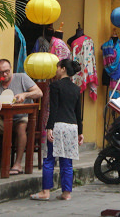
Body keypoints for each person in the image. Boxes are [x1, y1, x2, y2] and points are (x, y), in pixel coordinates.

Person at [31, 59, 83, 202]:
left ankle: (45, 191)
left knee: (49, 159)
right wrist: (80, 132)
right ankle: (66, 193)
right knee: (67, 162)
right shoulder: (76, 89)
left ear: (63, 69)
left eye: (57, 68)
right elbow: (78, 113)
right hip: (72, 127)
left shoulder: (55, 86)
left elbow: (53, 109)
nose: (56, 70)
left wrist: (49, 127)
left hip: (58, 125)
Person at [0, 58, 43, 174]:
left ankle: (18, 164)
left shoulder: (21, 78)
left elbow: (39, 92)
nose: (4, 74)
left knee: (21, 127)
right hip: (5, 119)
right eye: (1, 72)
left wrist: (25, 95)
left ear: (11, 69)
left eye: (7, 71)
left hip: (23, 117)